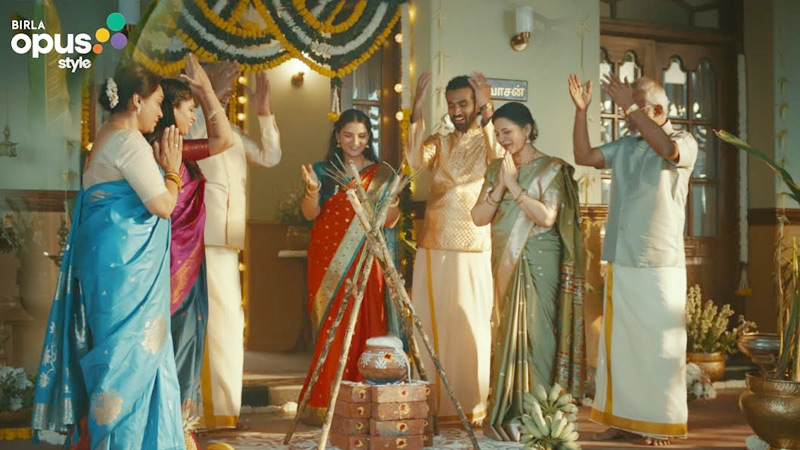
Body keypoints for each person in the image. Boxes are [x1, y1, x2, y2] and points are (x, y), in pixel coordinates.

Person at [32, 63, 185, 449]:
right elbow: (163, 206)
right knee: (129, 359)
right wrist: (172, 172)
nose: (161, 112)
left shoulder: (105, 136)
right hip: (126, 275)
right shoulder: (130, 142)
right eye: (158, 102)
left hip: (109, 269)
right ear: (137, 100)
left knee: (118, 357)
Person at [569, 73, 697, 446]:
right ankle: (622, 420)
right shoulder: (626, 145)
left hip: (660, 263)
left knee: (661, 347)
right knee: (621, 347)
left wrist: (629, 106)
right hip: (621, 257)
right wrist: (581, 112)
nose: (627, 114)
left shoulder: (684, 141)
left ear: (656, 110)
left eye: (635, 106)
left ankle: (659, 423)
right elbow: (584, 157)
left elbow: (667, 150)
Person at [471, 102, 585, 442]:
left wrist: (515, 186)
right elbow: (478, 217)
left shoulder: (552, 168)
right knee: (507, 330)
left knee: (539, 333)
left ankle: (540, 415)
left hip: (540, 261)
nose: (502, 139)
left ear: (528, 129)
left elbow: (547, 217)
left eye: (507, 131)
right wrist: (502, 184)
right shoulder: (496, 169)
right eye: (497, 134)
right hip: (505, 261)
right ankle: (508, 412)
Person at [187, 65, 282, 429]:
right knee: (214, 324)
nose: (224, 100)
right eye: (219, 93)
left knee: (228, 324)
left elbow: (270, 156)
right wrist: (207, 93)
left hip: (227, 242)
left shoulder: (234, 133)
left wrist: (264, 113)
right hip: (200, 238)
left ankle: (223, 410)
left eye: (227, 95)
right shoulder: (193, 127)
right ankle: (209, 410)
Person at [406, 71, 503, 424]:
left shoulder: (489, 138)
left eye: (463, 104)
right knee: (430, 326)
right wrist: (416, 110)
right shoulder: (441, 141)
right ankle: (431, 403)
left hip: (473, 246)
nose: (457, 111)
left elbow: (499, 155)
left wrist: (489, 107)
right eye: (451, 105)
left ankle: (469, 404)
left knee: (468, 324)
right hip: (432, 244)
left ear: (476, 104)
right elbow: (414, 160)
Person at [297, 108, 401, 424]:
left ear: (369, 139)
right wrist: (312, 190)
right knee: (333, 326)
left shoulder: (381, 174)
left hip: (367, 258)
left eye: (362, 136)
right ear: (337, 137)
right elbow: (310, 214)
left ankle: (366, 400)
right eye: (348, 135)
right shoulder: (322, 170)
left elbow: (390, 222)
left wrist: (393, 201)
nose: (355, 142)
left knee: (369, 322)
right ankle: (325, 402)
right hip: (327, 260)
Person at [149, 54, 234, 420]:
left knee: (182, 345)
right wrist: (207, 91)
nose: (194, 117)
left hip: (185, 259)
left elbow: (224, 139)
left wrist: (203, 92)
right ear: (171, 110)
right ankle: (172, 429)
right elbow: (224, 139)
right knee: (175, 347)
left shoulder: (175, 149)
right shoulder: (165, 150)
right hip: (170, 265)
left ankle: (176, 428)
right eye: (189, 109)